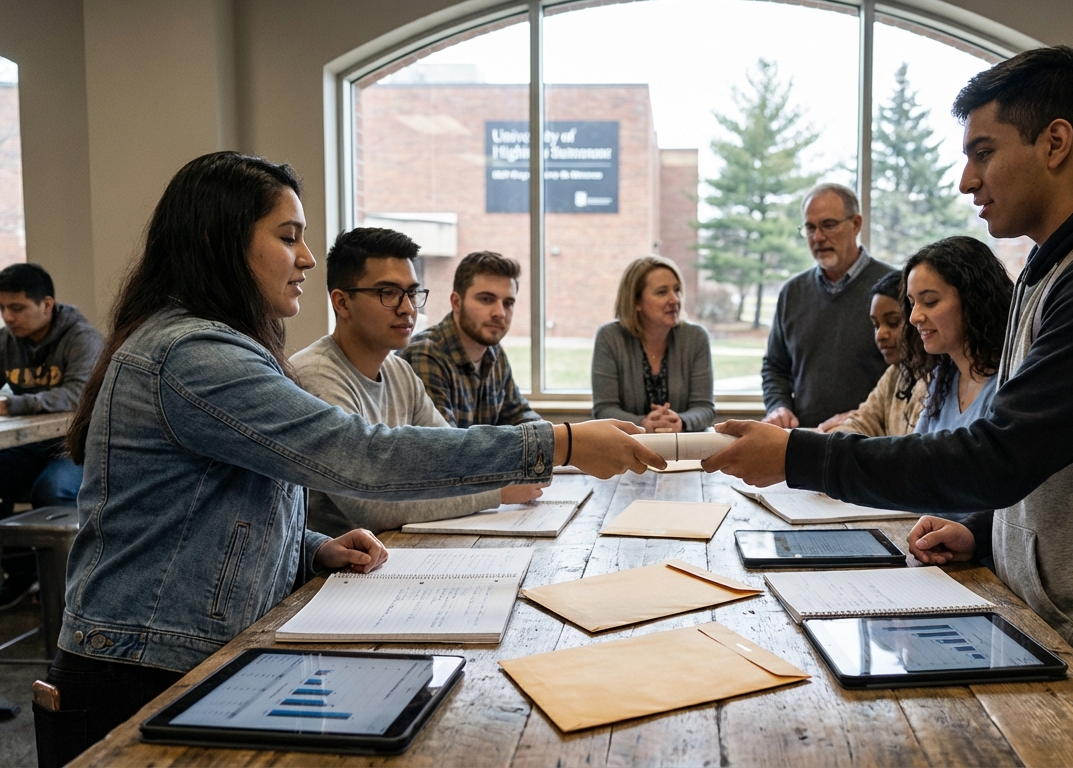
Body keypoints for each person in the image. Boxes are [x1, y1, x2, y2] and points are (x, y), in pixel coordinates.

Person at [42, 151, 662, 763]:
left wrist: (307, 545)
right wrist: (562, 443)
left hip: (181, 647)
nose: (307, 257)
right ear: (223, 242)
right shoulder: (194, 353)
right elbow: (357, 456)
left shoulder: (218, 343)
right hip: (141, 662)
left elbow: (217, 501)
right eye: (289, 237)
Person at [705, 46, 1073, 758]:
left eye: (983, 152)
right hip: (1062, 627)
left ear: (1055, 142)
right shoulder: (1061, 268)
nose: (965, 179)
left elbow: (999, 455)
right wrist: (984, 527)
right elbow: (1053, 448)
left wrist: (798, 455)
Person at [292, 227, 546, 536]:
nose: (408, 308)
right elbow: (372, 507)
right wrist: (496, 493)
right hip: (332, 575)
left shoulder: (400, 372)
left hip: (396, 549)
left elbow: (453, 456)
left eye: (412, 293)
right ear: (342, 303)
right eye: (388, 293)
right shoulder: (316, 376)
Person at [0, 263, 103, 608]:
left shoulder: (80, 337)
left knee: (51, 489)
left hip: (76, 447)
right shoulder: (3, 342)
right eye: (1, 307)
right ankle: (24, 573)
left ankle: (70, 596)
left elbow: (78, 394)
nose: (7, 317)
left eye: (17, 308)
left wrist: (5, 406)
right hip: (29, 446)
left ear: (47, 304)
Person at [761, 182, 893, 430]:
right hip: (806, 441)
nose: (818, 237)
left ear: (856, 224)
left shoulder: (894, 288)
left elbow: (913, 373)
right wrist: (779, 406)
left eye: (828, 225)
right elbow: (775, 367)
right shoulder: (792, 293)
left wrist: (864, 416)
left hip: (871, 442)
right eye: (810, 228)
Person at [399, 251, 538, 428]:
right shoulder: (425, 353)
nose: (500, 313)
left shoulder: (493, 350)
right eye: (486, 299)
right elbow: (449, 447)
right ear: (456, 303)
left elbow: (519, 414)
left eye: (508, 303)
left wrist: (551, 439)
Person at [899, 236, 1012, 436]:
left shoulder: (1006, 385)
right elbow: (915, 455)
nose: (914, 317)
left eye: (930, 301)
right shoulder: (944, 378)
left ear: (974, 301)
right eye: (912, 303)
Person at [591, 256, 715, 432]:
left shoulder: (695, 337)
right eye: (662, 292)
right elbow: (604, 410)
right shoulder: (610, 337)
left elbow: (705, 408)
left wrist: (680, 421)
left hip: (683, 448)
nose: (675, 300)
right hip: (626, 447)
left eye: (677, 290)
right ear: (636, 302)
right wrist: (643, 424)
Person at [818, 269, 928, 437]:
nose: (880, 334)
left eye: (893, 322)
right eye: (876, 325)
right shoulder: (895, 373)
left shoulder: (936, 380)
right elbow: (864, 421)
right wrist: (827, 439)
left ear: (917, 318)